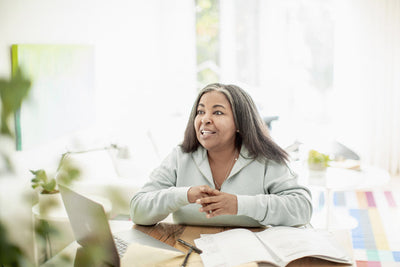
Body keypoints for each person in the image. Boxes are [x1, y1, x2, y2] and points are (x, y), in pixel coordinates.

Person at [130, 83, 312, 227]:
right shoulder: (180, 157)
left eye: (217, 112)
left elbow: (302, 208)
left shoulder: (265, 159)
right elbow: (138, 209)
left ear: (240, 123)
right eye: (200, 111)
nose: (205, 119)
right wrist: (185, 194)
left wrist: (238, 204)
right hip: (188, 250)